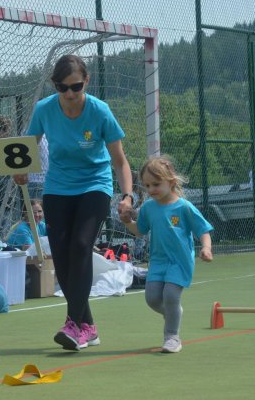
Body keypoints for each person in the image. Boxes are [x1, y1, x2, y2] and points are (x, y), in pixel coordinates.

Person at [13, 54, 134, 351]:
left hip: (95, 184)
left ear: (86, 82)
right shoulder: (44, 109)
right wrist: (21, 171)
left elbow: (120, 161)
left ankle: (72, 324)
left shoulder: (100, 112)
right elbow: (26, 148)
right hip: (58, 186)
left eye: (76, 87)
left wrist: (128, 195)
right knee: (63, 258)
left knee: (81, 246)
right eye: (62, 87)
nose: (69, 94)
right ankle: (88, 327)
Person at [119, 156, 213, 353]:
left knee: (170, 295)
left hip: (179, 261)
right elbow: (140, 230)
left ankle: (172, 336)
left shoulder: (184, 207)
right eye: (147, 185)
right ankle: (173, 313)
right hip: (158, 261)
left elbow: (202, 229)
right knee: (152, 298)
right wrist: (127, 221)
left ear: (170, 181)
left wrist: (206, 247)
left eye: (156, 184)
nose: (151, 189)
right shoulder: (148, 208)